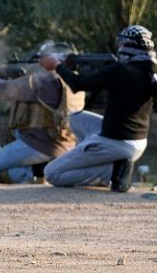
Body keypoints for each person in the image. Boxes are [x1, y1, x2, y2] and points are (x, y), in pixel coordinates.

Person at [40, 25, 156, 192]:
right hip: (137, 142)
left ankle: (113, 171)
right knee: (76, 117)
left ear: (127, 46)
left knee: (51, 173)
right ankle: (96, 156)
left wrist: (57, 66)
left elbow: (78, 84)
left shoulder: (121, 71)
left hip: (116, 143)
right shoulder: (150, 70)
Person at [0, 42, 86, 184]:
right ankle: (43, 168)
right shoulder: (76, 81)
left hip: (41, 144)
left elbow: (5, 89)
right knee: (19, 134)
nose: (40, 63)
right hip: (67, 144)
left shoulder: (43, 82)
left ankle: (35, 175)